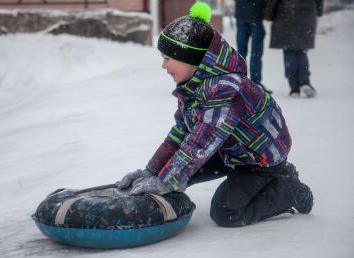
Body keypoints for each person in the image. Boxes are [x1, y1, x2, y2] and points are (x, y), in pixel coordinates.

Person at [117, 2, 313, 227]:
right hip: (229, 150)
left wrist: (166, 180)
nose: (163, 65)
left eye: (168, 58)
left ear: (191, 58)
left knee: (226, 212)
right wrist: (151, 171)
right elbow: (181, 133)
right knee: (175, 174)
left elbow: (201, 144)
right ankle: (241, 179)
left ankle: (289, 189)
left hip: (259, 161)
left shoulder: (224, 90)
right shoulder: (195, 86)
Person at [265, 0, 323, 97]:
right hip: (307, 13)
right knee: (301, 50)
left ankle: (294, 88)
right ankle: (305, 82)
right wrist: (318, 11)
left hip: (286, 13)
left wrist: (268, 14)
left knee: (289, 51)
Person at [234, 0, 271, 94]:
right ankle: (255, 82)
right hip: (255, 15)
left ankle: (241, 82)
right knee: (256, 53)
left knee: (241, 52)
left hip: (242, 15)